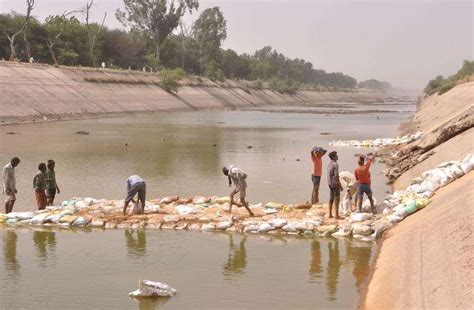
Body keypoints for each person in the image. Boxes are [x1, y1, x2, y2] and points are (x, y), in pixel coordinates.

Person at [327, 151, 343, 219]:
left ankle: (330, 214)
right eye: (336, 155)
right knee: (337, 198)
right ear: (333, 157)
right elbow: (336, 176)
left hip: (329, 182)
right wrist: (340, 185)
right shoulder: (335, 164)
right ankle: (336, 215)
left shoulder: (329, 164)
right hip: (334, 183)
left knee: (331, 198)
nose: (337, 156)